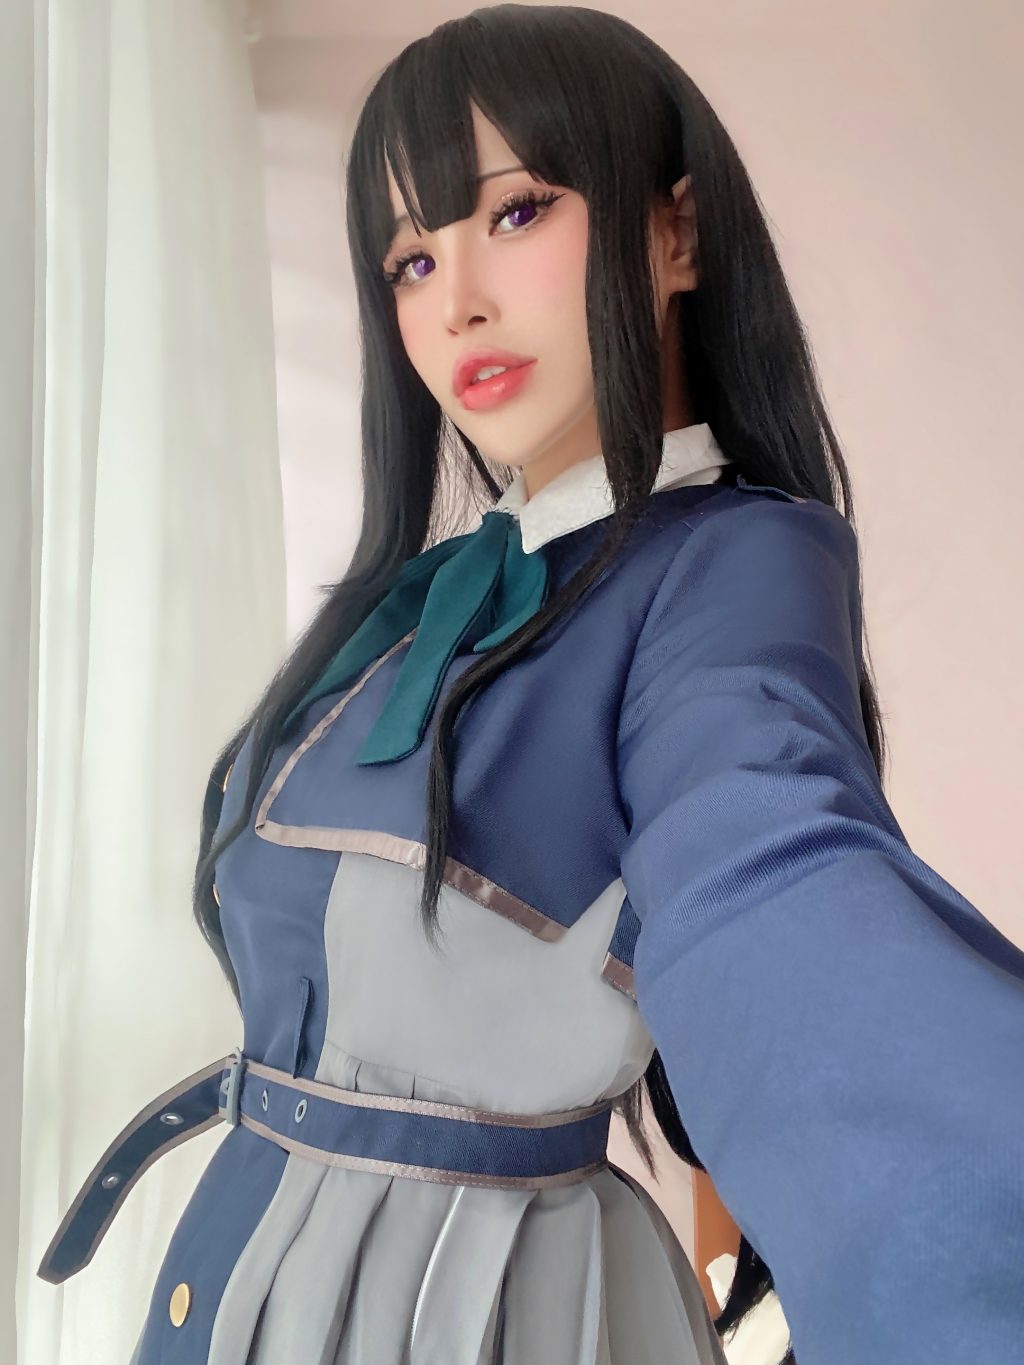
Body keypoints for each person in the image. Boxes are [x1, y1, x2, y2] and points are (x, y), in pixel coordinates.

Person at [37, 7, 1024, 1363]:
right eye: (411, 257)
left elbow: (774, 885)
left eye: (515, 212)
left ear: (675, 235)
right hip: (251, 1284)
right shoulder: (415, 606)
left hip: (480, 1311)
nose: (456, 301)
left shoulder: (729, 566)